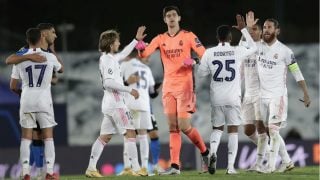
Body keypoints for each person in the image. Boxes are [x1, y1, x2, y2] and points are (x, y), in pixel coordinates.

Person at [138, 6, 209, 175]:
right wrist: (139, 43)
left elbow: (204, 54)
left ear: (179, 18)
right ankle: (175, 166)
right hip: (168, 87)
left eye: (173, 15)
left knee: (184, 126)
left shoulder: (188, 36)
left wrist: (194, 61)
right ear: (164, 20)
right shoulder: (160, 38)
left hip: (185, 86)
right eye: (168, 16)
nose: (171, 18)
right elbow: (144, 54)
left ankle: (205, 152)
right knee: (173, 127)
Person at [198, 11, 258, 175]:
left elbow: (201, 74)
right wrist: (244, 29)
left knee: (217, 128)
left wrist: (205, 65)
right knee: (232, 130)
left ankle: (213, 153)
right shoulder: (237, 50)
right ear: (230, 38)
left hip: (216, 97)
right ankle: (230, 167)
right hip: (233, 97)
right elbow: (254, 47)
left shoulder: (209, 53)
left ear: (218, 38)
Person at [85, 26, 146, 178]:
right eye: (117, 41)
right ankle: (137, 169)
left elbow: (124, 52)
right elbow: (108, 83)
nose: (119, 44)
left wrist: (136, 40)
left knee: (104, 137)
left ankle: (91, 168)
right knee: (131, 133)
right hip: (116, 103)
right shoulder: (108, 60)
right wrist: (129, 89)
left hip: (109, 103)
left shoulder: (109, 58)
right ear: (111, 44)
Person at [6, 23, 62, 179]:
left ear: (27, 39)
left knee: (26, 137)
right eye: (52, 33)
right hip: (44, 100)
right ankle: (49, 172)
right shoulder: (49, 56)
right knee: (48, 136)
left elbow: (12, 86)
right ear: (42, 37)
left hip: (26, 100)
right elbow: (60, 70)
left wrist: (22, 94)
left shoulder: (20, 57)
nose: (54, 35)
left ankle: (25, 172)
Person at [257, 18, 311, 173]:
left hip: (277, 96)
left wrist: (306, 93)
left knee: (273, 130)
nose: (266, 30)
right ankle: (287, 161)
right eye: (265, 27)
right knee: (267, 130)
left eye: (269, 27)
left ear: (277, 31)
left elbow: (296, 72)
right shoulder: (258, 46)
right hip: (262, 96)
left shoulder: (285, 51)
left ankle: (270, 167)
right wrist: (244, 29)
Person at [119, 50, 160, 176]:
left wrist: (126, 82)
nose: (149, 58)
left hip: (132, 104)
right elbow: (153, 93)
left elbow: (117, 83)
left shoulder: (126, 64)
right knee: (142, 136)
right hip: (143, 105)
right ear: (140, 54)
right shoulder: (147, 69)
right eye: (147, 55)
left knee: (130, 136)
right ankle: (142, 168)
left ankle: (136, 168)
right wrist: (160, 86)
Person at [239, 23, 271, 172]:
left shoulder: (263, 47)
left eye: (254, 30)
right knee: (247, 129)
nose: (252, 32)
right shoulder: (245, 49)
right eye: (249, 31)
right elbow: (240, 71)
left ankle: (259, 163)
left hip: (261, 93)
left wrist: (244, 31)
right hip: (248, 93)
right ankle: (271, 152)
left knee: (260, 127)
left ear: (260, 32)